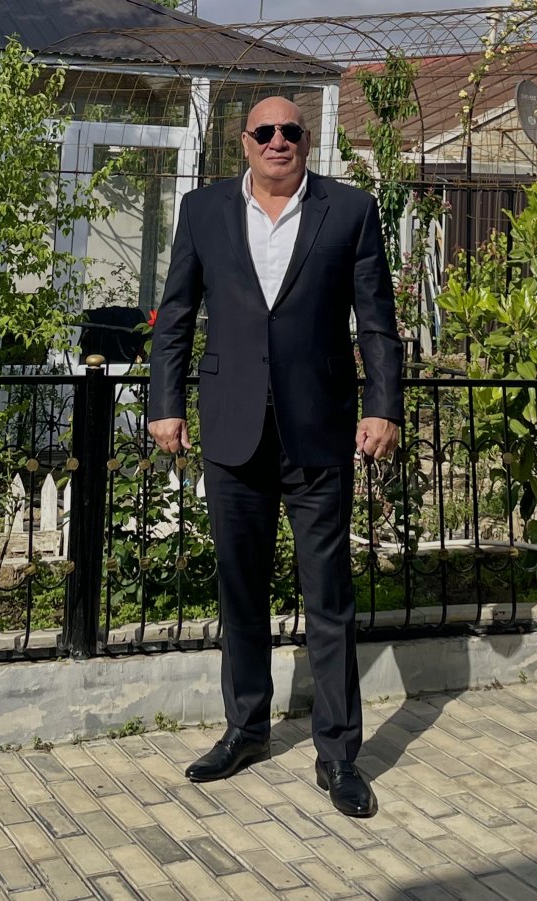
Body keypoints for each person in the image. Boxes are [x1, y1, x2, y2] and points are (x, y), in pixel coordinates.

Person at [147, 96, 403, 818]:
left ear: (307, 140)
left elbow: (377, 323)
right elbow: (176, 316)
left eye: (291, 131)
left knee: (329, 597)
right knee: (240, 588)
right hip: (233, 429)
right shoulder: (203, 211)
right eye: (265, 131)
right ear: (245, 142)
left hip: (318, 429)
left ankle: (339, 754)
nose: (278, 141)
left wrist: (383, 405)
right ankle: (247, 728)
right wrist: (165, 402)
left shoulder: (349, 211)